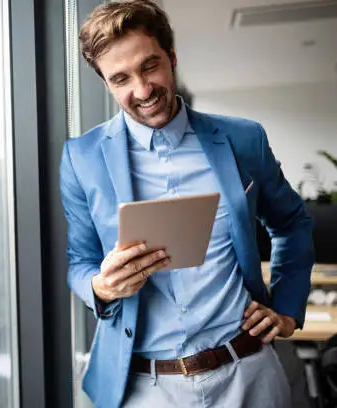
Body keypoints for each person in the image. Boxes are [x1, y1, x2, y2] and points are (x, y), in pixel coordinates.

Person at [59, 1, 314, 407]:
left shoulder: (243, 140)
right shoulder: (81, 158)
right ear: (105, 83)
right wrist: (101, 287)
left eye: (149, 66)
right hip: (144, 387)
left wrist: (286, 309)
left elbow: (293, 223)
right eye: (121, 78)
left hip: (247, 374)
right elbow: (79, 261)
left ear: (172, 58)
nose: (142, 90)